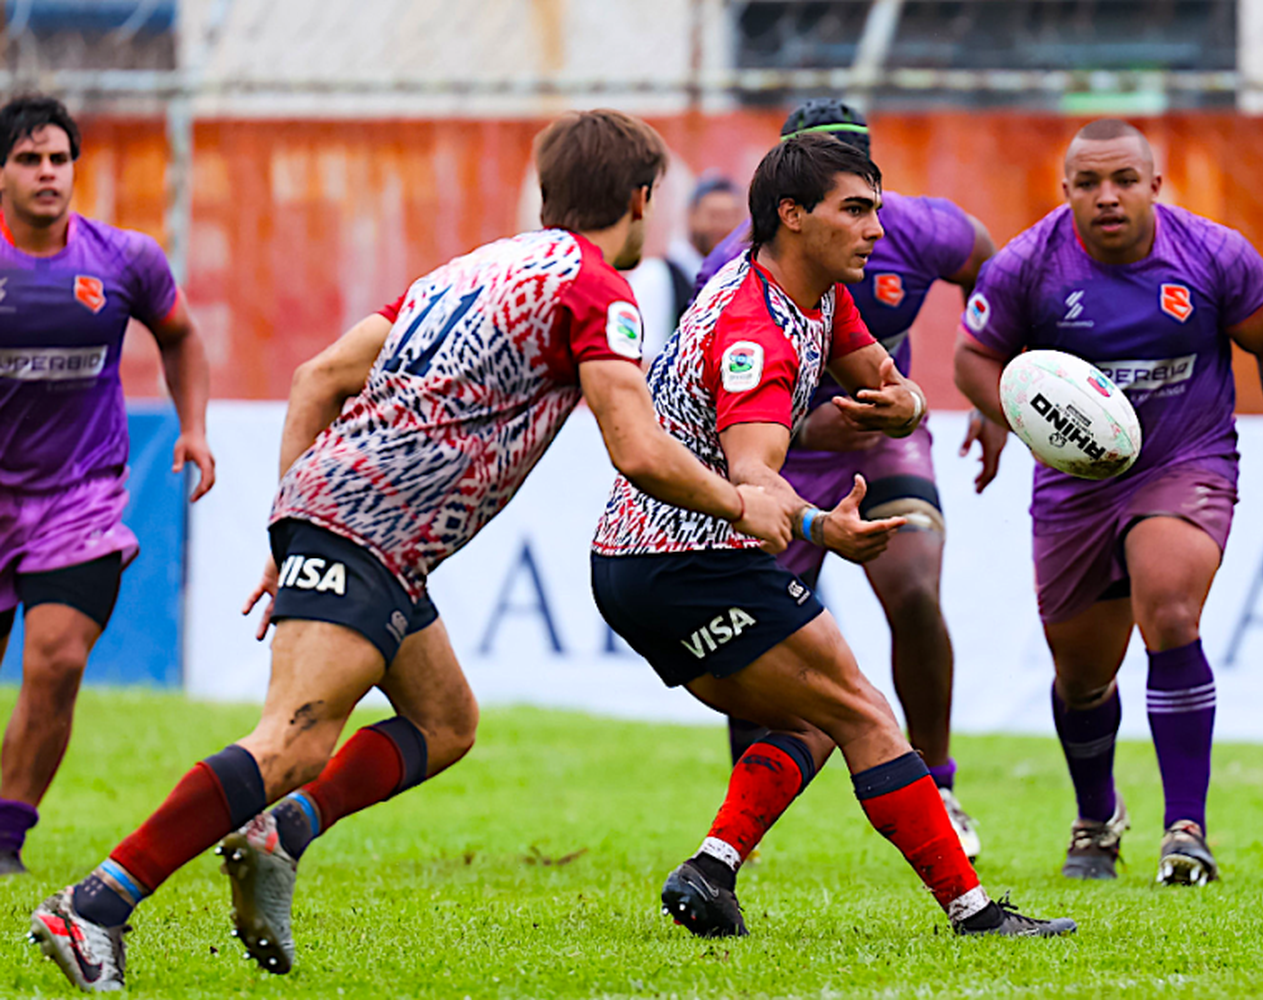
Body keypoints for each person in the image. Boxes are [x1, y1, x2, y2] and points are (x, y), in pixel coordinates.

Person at [28, 108, 800, 992]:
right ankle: (92, 906)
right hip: (368, 529)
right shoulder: (596, 288)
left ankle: (283, 835)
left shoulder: (478, 267)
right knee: (292, 741)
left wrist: (292, 525)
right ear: (639, 197)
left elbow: (317, 375)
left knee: (444, 725)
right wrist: (741, 503)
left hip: (356, 528)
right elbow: (637, 448)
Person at [592, 132, 1075, 939]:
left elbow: (889, 389)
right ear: (792, 215)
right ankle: (975, 911)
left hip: (647, 563)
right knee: (863, 710)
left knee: (811, 719)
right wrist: (823, 526)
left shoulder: (815, 290)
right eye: (855, 211)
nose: (876, 230)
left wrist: (912, 408)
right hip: (682, 564)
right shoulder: (755, 333)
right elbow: (754, 481)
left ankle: (710, 872)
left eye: (876, 210)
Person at [954, 118, 1263, 886]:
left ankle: (1186, 829)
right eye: (1088, 183)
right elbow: (973, 357)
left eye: (1124, 180)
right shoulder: (1031, 265)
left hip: (1185, 461)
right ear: (1066, 192)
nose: (1107, 197)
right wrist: (1014, 417)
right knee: (1083, 675)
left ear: (1156, 185)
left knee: (1170, 610)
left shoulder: (1214, 256)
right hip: (1075, 484)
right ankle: (1097, 818)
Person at [694, 99, 1001, 859]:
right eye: (845, 198)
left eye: (868, 191)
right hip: (775, 455)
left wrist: (992, 395)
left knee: (918, 590)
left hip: (880, 447)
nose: (868, 221)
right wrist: (806, 425)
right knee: (758, 637)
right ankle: (747, 814)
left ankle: (940, 781)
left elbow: (988, 264)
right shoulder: (728, 272)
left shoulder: (920, 228)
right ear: (794, 206)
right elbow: (711, 409)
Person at [0, 94, 215, 876]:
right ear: (3, 172)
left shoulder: (124, 259)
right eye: (29, 159)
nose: (48, 173)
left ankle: (3, 841)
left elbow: (181, 336)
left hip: (78, 498)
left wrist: (193, 426)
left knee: (56, 660)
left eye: (59, 158)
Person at [629, 174, 744, 351]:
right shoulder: (657, 276)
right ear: (691, 216)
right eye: (714, 216)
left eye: (731, 217)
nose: (723, 227)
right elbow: (643, 360)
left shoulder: (744, 281)